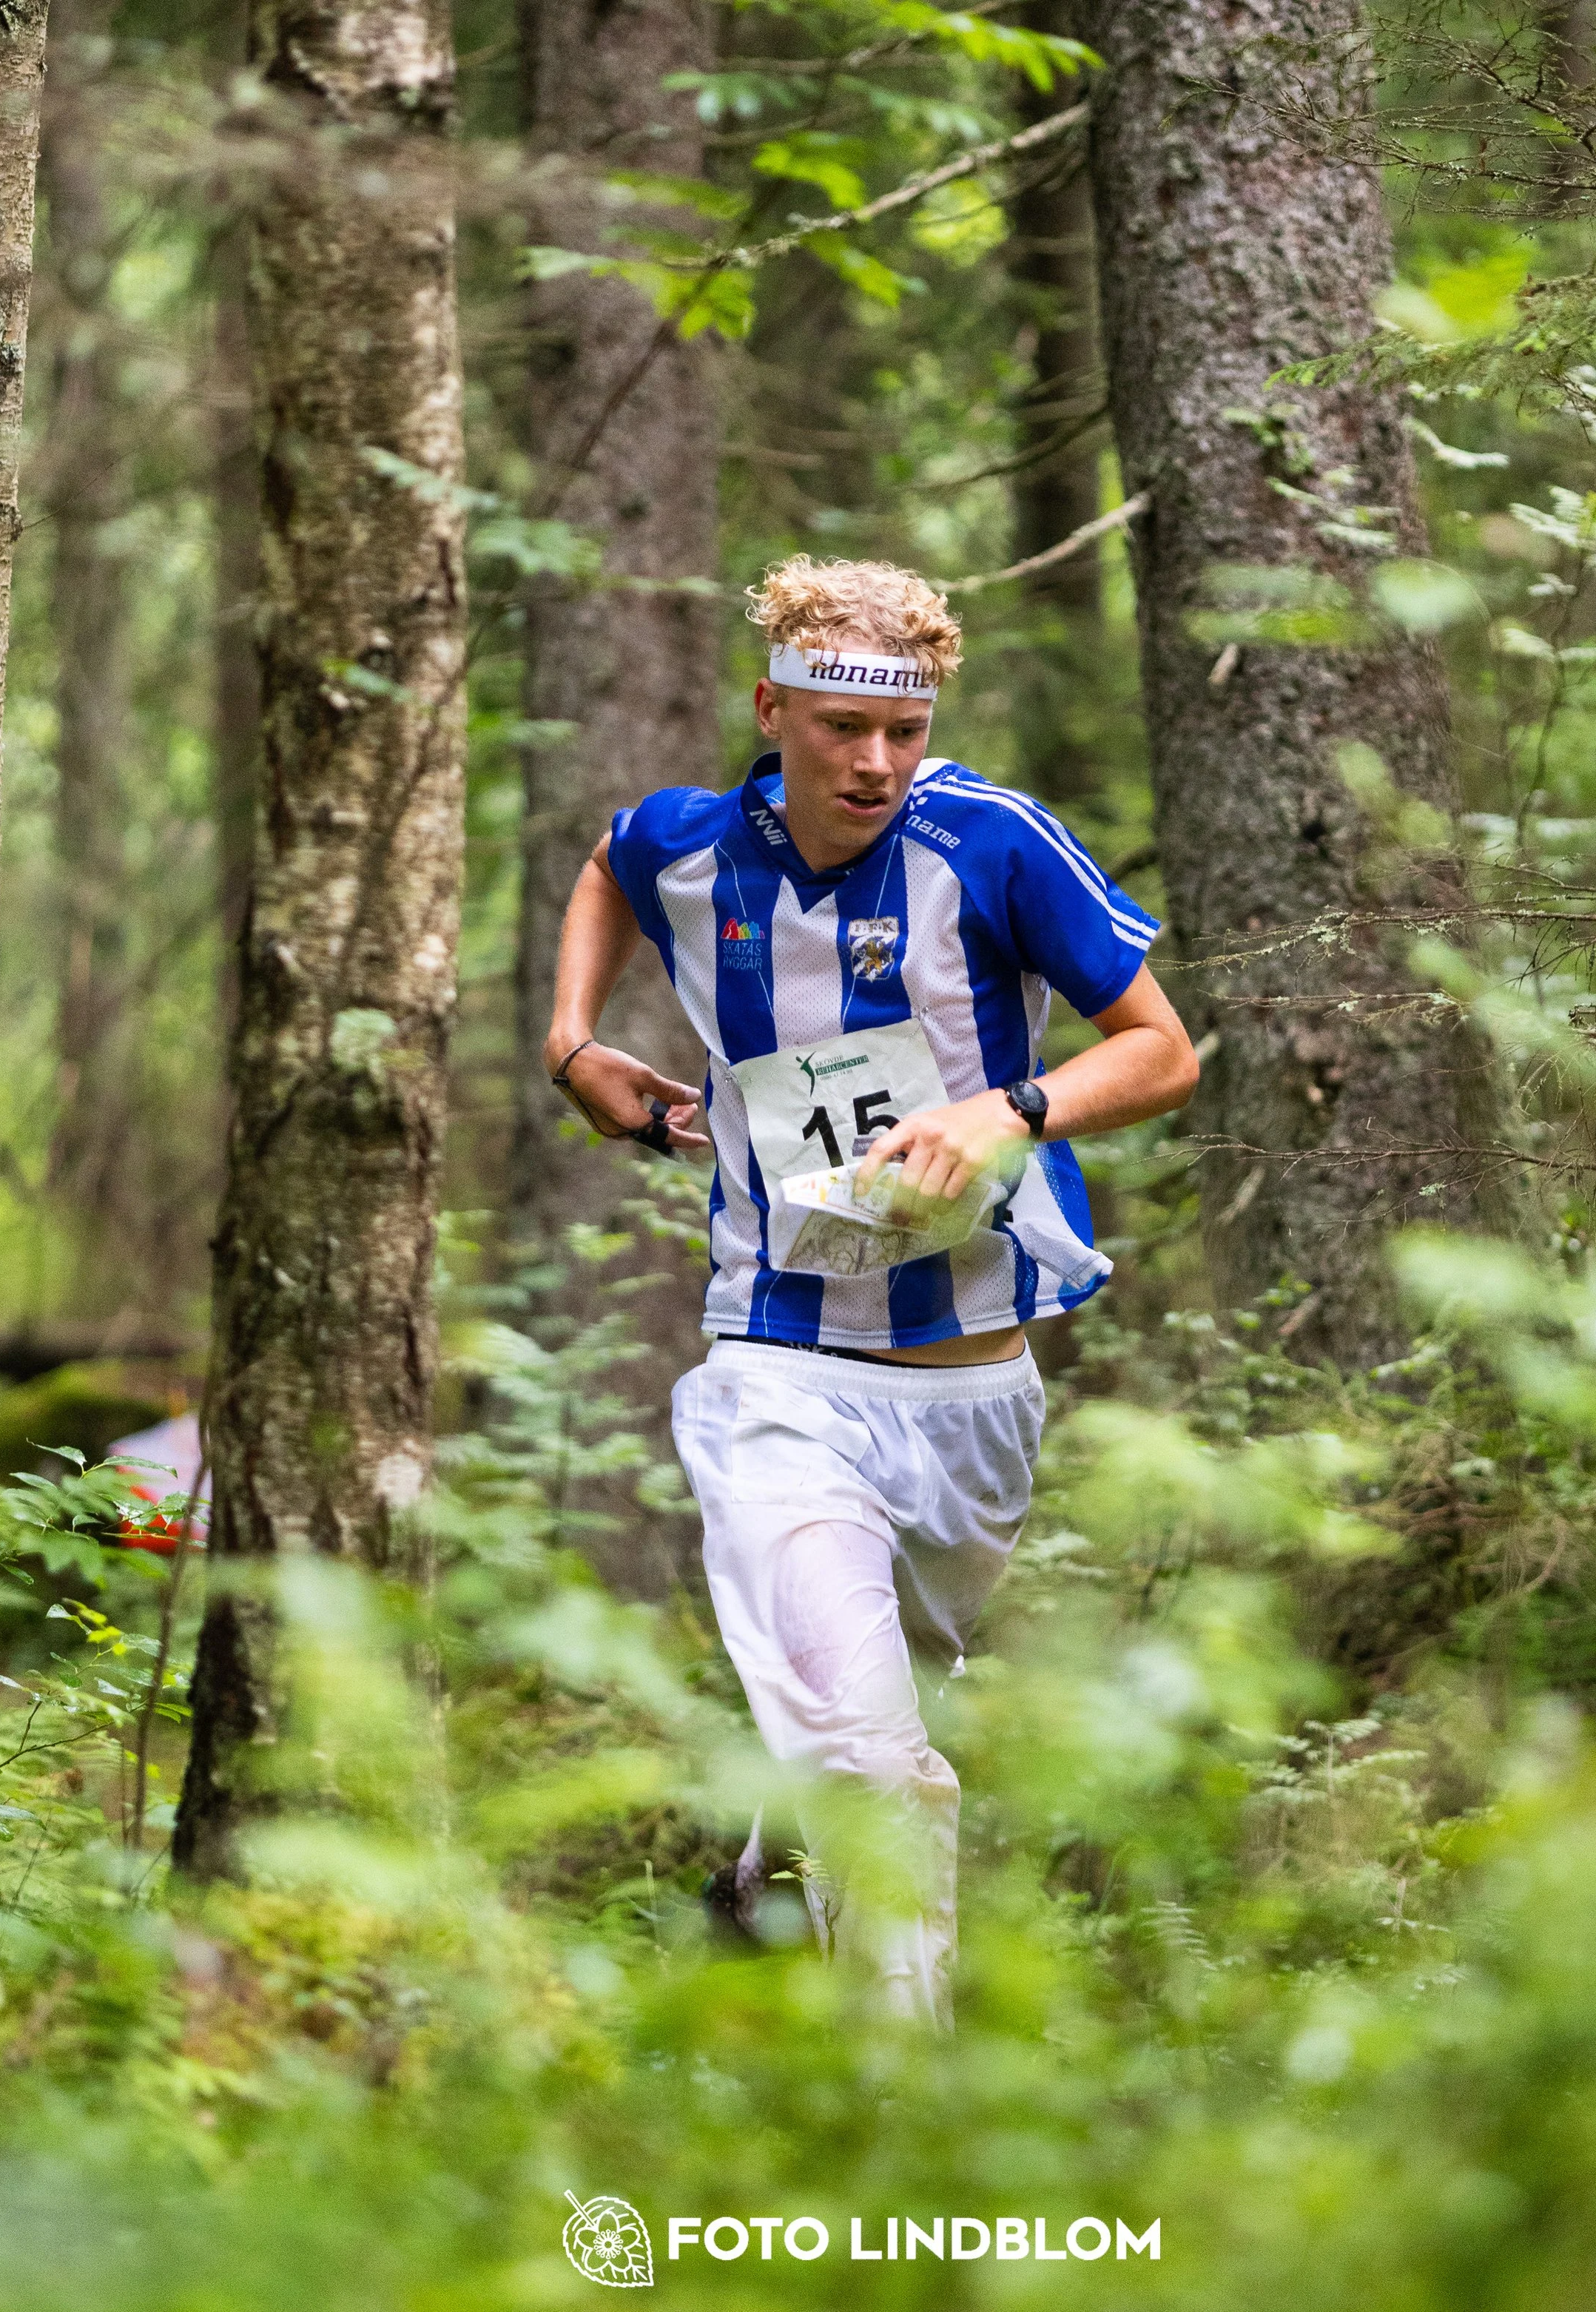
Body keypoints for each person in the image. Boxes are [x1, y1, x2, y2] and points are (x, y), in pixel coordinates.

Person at [544, 554, 1199, 2024]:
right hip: (773, 1369)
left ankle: (756, 1888)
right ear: (771, 707)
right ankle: (902, 2109)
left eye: (901, 730)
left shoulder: (992, 844)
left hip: (975, 1388)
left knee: (860, 1720)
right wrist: (574, 1041)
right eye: (840, 725)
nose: (874, 762)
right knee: (876, 1756)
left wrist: (1007, 1111)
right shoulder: (697, 851)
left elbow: (1162, 1050)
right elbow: (605, 857)